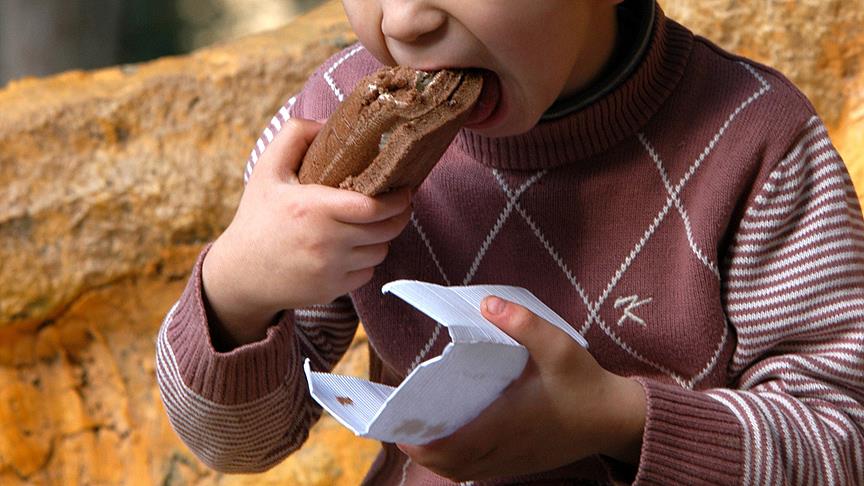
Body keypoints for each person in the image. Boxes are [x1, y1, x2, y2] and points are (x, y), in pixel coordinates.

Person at [156, 0, 864, 483]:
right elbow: (238, 443)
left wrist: (617, 420)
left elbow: (844, 443)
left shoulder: (758, 146)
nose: (403, 19)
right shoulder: (332, 121)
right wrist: (238, 288)